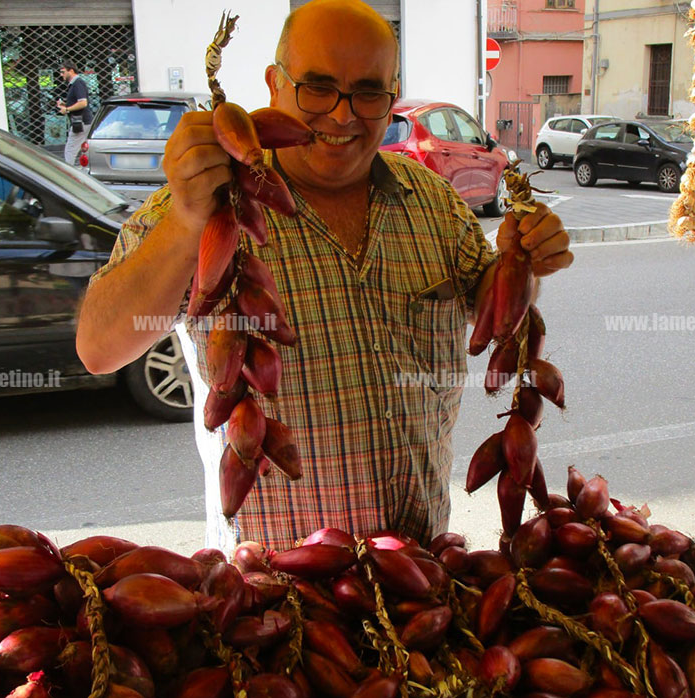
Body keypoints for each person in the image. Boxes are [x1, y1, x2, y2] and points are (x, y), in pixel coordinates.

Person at [75, 0, 573, 552]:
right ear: (273, 85)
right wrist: (186, 221)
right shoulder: (208, 208)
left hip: (417, 580)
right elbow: (99, 347)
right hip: (273, 598)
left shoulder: (431, 200)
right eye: (317, 87)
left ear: (392, 95)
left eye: (367, 91)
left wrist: (523, 261)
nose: (342, 116)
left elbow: (492, 313)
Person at [57, 60, 93, 165]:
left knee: (70, 150)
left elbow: (83, 103)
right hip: (82, 122)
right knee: (83, 149)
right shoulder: (75, 84)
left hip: (80, 122)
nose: (61, 75)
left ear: (71, 71)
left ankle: (68, 174)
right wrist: (65, 104)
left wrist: (67, 109)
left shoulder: (78, 83)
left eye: (63, 72)